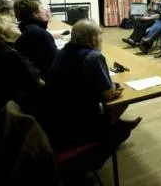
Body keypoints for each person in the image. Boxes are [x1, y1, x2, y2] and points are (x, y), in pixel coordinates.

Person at [45, 19, 142, 151]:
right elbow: (109, 94)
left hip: (56, 113)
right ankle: (108, 126)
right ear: (93, 39)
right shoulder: (93, 57)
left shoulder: (65, 49)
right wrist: (112, 88)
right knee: (123, 106)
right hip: (76, 121)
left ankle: (110, 122)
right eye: (100, 36)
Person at [0, 12, 45, 118]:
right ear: (1, 30)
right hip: (26, 105)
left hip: (13, 100)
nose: (17, 23)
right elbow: (34, 84)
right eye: (12, 23)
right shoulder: (10, 55)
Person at [14, 0, 59, 79]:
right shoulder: (40, 34)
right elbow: (54, 62)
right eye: (42, 8)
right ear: (35, 14)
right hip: (45, 79)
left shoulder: (23, 27)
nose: (46, 11)